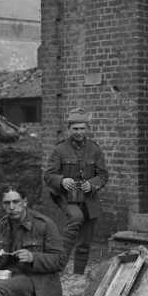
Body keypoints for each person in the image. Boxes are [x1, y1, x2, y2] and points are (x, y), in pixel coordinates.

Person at [43, 108, 109, 275]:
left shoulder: (95, 149)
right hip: (66, 196)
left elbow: (103, 175)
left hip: (89, 198)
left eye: (82, 128)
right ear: (69, 129)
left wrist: (92, 184)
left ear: (87, 128)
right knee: (76, 217)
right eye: (75, 128)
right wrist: (62, 180)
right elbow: (48, 175)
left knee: (85, 241)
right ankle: (58, 268)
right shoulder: (60, 149)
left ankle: (78, 274)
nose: (79, 132)